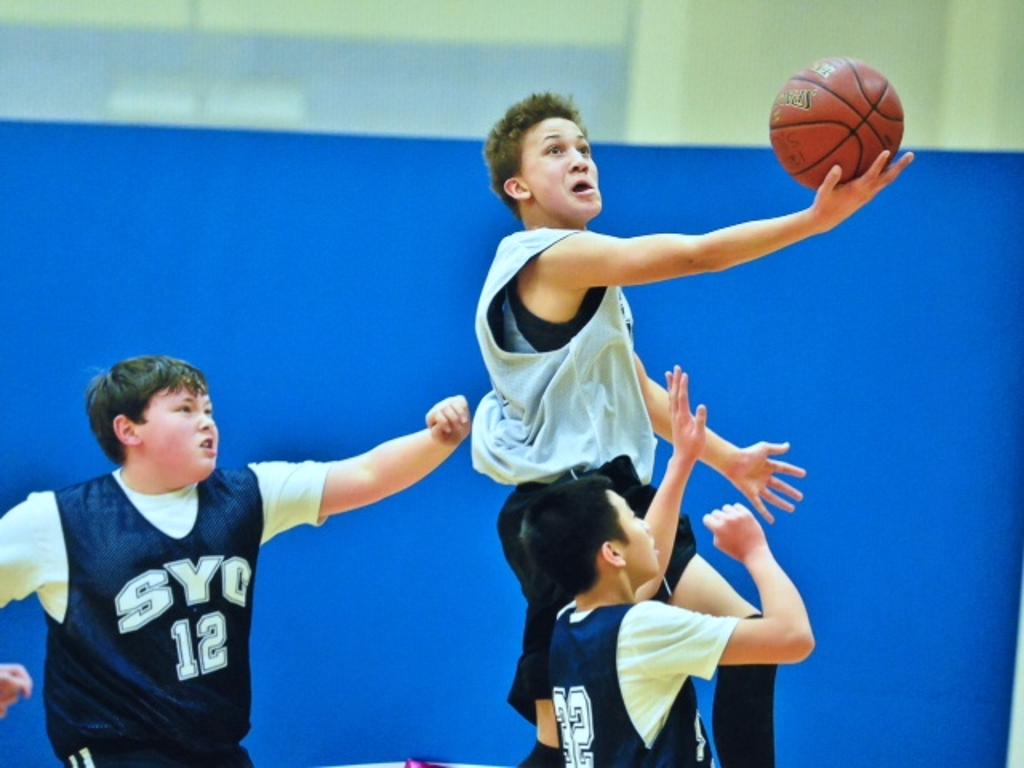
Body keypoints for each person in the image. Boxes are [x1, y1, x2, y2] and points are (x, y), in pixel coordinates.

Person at [474, 92, 912, 767]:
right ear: (519, 186)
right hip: (566, 512)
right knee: (564, 739)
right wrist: (814, 220)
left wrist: (727, 458)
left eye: (584, 148)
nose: (580, 159)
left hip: (622, 501)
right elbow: (697, 256)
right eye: (555, 151)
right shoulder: (549, 260)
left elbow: (636, 388)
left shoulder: (588, 278)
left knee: (752, 642)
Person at [0, 354, 470, 767]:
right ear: (128, 429)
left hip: (219, 752)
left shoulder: (245, 496)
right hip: (117, 754)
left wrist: (440, 439)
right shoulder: (56, 520)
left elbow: (366, 474)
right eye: (185, 410)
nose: (207, 423)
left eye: (209, 411)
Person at [519, 465, 813, 766]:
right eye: (634, 517)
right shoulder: (641, 630)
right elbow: (794, 637)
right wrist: (756, 552)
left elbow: (649, 578)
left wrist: (681, 463)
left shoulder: (569, 623)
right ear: (612, 554)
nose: (647, 526)